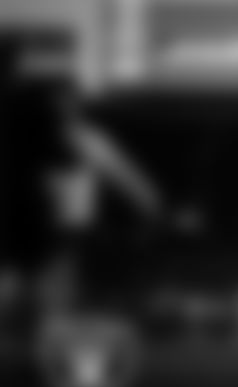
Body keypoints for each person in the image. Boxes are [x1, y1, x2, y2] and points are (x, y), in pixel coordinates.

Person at [19, 86, 163, 328]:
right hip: (50, 237)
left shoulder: (83, 139)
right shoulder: (64, 138)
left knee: (59, 300)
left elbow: (126, 177)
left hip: (66, 238)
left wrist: (150, 205)